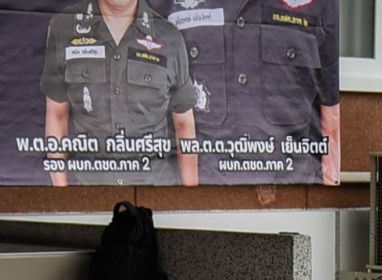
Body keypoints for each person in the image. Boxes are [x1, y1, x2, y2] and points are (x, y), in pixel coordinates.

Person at [147, 0, 340, 185]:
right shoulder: (163, 5)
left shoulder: (320, 4)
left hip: (289, 193)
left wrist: (328, 194)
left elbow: (331, 119)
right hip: (202, 194)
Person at [39, 0, 199, 186]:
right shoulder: (64, 27)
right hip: (89, 190)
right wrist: (61, 193)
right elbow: (57, 115)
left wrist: (190, 197)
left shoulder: (170, 37)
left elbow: (184, 125)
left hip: (155, 189)